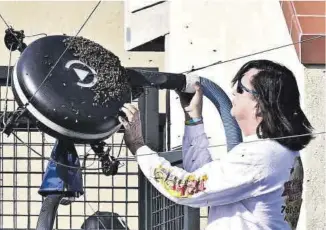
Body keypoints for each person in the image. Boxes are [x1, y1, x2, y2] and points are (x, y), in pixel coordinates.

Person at [118, 59, 314, 230]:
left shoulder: (260, 157)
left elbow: (185, 188)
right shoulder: (279, 153)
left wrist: (138, 145)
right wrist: (193, 120)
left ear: (260, 103)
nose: (232, 93)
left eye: (240, 88)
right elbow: (204, 181)